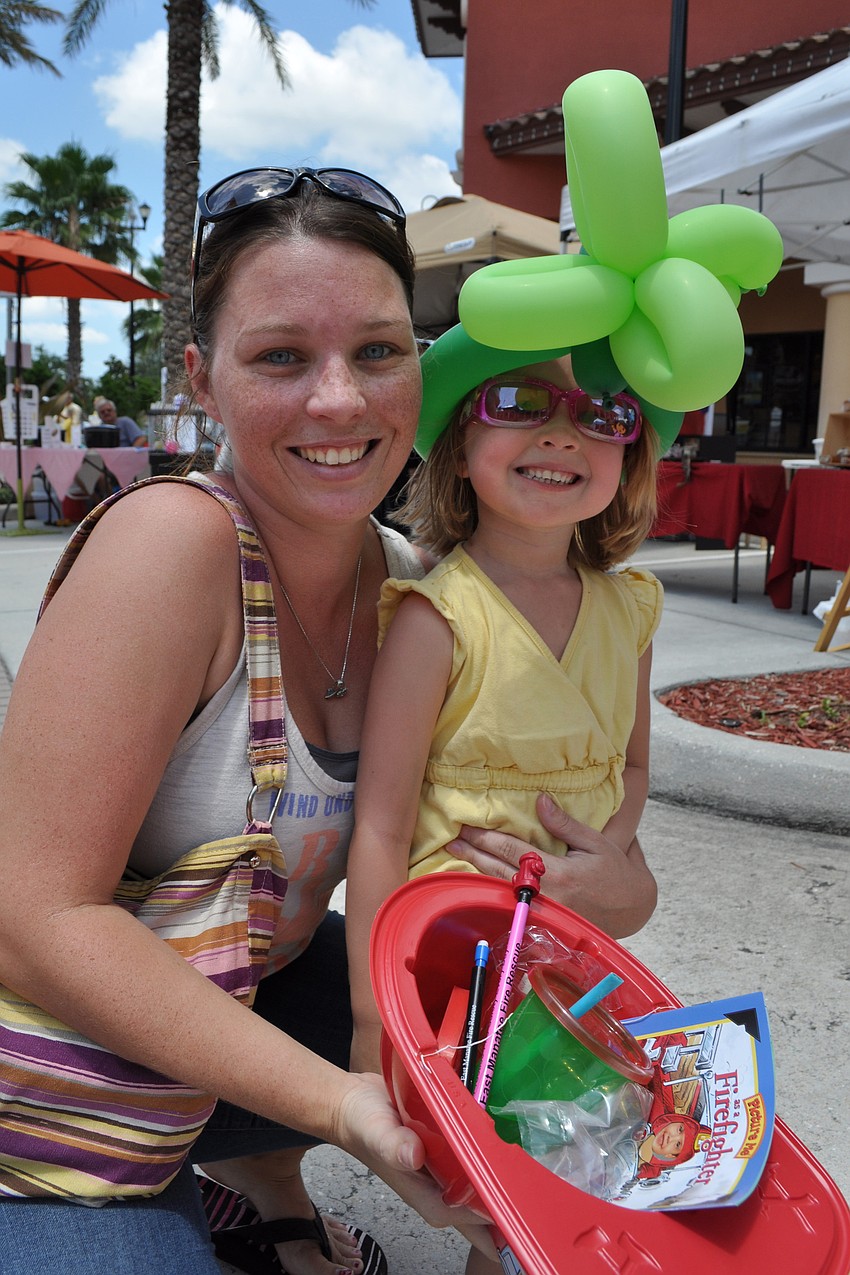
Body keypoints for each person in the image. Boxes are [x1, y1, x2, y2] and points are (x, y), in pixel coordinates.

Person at [0, 167, 495, 1275]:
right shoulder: (172, 545)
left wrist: (578, 867)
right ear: (202, 382)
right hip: (33, 1079)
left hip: (203, 1008)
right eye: (281, 356)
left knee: (491, 1027)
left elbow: (430, 862)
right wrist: (341, 1103)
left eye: (377, 351)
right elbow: (32, 916)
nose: (340, 401)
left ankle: (250, 1179)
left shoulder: (408, 583)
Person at [346, 337, 669, 1081]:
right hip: (456, 952)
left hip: (574, 948)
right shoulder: (440, 618)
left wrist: (602, 867)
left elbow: (634, 765)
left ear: (629, 454)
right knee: (463, 1155)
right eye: (521, 403)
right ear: (460, 449)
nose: (561, 434)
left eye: (600, 414)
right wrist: (373, 1016)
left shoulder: (632, 610)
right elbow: (381, 824)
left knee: (564, 1131)